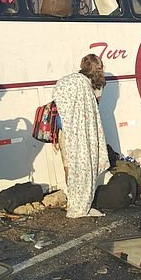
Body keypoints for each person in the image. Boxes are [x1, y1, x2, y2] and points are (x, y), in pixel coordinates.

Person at [52, 54, 109, 218]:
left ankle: (73, 201)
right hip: (83, 134)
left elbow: (58, 104)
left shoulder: (67, 80)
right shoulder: (92, 84)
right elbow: (94, 106)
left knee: (69, 166)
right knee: (85, 167)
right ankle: (82, 205)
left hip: (66, 132)